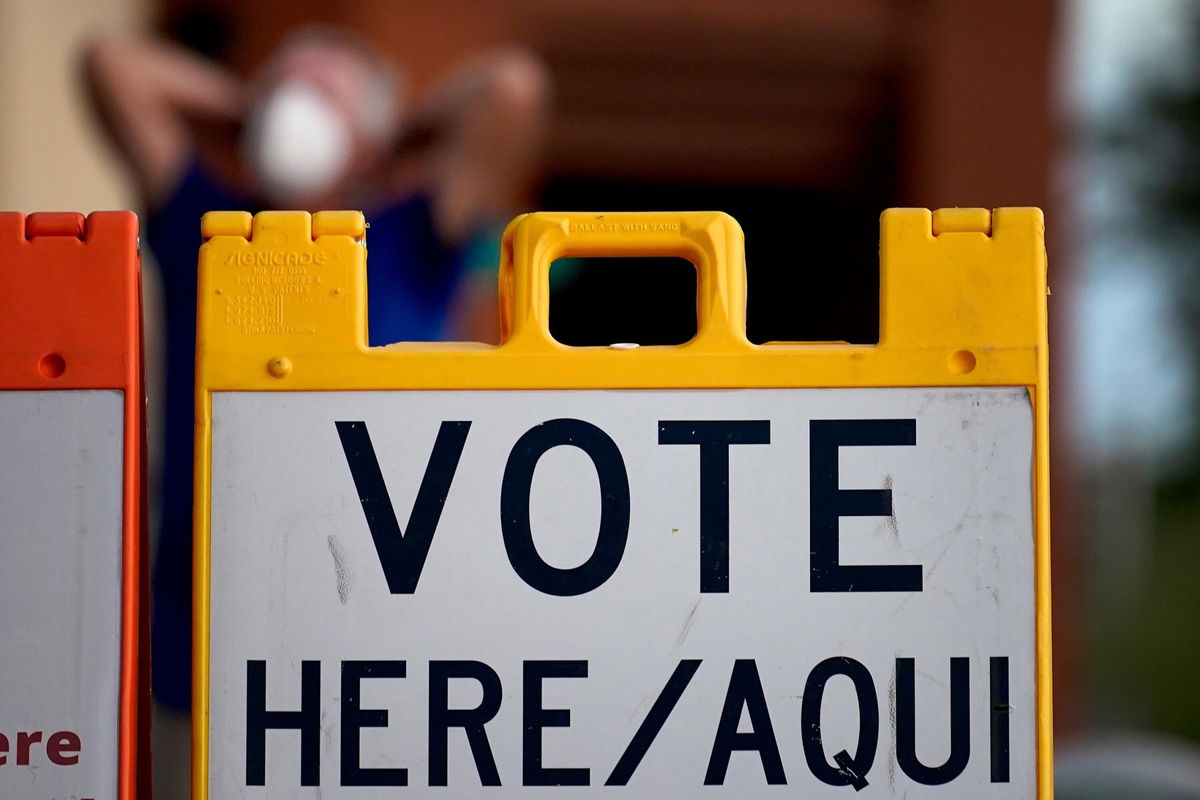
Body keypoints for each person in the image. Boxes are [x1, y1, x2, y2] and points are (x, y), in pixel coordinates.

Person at [85, 26, 549, 712]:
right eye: (289, 85)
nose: (300, 104)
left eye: (326, 89)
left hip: (386, 635)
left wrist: (393, 135)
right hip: (203, 640)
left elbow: (512, 86)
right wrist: (251, 108)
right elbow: (110, 63)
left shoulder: (418, 229)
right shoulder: (210, 228)